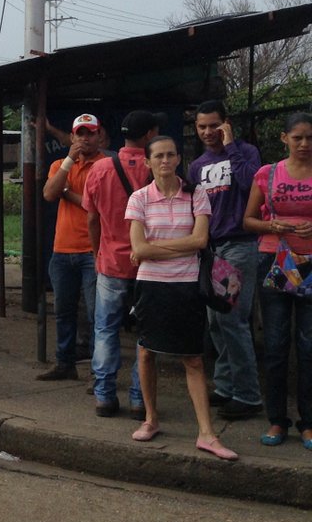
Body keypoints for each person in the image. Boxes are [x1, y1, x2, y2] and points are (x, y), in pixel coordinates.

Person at [126, 135, 237, 460]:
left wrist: (153, 249)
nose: (164, 161)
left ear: (178, 159)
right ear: (147, 162)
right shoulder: (139, 198)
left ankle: (207, 433)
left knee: (192, 358)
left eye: (170, 155)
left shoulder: (196, 195)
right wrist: (180, 244)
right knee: (146, 353)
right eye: (158, 156)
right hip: (151, 286)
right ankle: (151, 419)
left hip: (188, 285)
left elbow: (201, 240)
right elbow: (138, 248)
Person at [83, 110, 161, 418]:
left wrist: (96, 252)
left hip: (111, 263)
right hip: (149, 264)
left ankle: (104, 396)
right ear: (149, 136)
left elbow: (91, 217)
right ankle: (139, 400)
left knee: (105, 329)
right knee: (147, 332)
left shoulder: (101, 168)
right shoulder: (155, 168)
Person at [188, 99, 264, 420]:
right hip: (212, 249)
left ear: (226, 124)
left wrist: (231, 146)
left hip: (240, 245)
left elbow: (251, 184)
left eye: (214, 125)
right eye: (202, 126)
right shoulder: (196, 166)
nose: (208, 132)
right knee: (216, 322)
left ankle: (248, 395)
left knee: (232, 320)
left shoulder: (247, 153)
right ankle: (226, 385)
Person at [242, 111, 312, 451]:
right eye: (297, 137)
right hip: (275, 261)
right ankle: (276, 419)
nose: (304, 143)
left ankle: (308, 423)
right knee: (275, 344)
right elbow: (249, 220)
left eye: (309, 138)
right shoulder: (267, 174)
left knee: (309, 347)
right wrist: (274, 226)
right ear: (284, 139)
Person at [37, 114, 105, 380]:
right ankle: (64, 363)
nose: (85, 139)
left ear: (99, 136)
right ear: (72, 137)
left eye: (90, 133)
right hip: (63, 250)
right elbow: (49, 193)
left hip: (93, 250)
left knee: (96, 314)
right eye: (80, 134)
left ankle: (99, 372)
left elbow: (95, 205)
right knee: (63, 311)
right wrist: (68, 160)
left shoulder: (106, 165)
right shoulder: (59, 164)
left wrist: (69, 193)